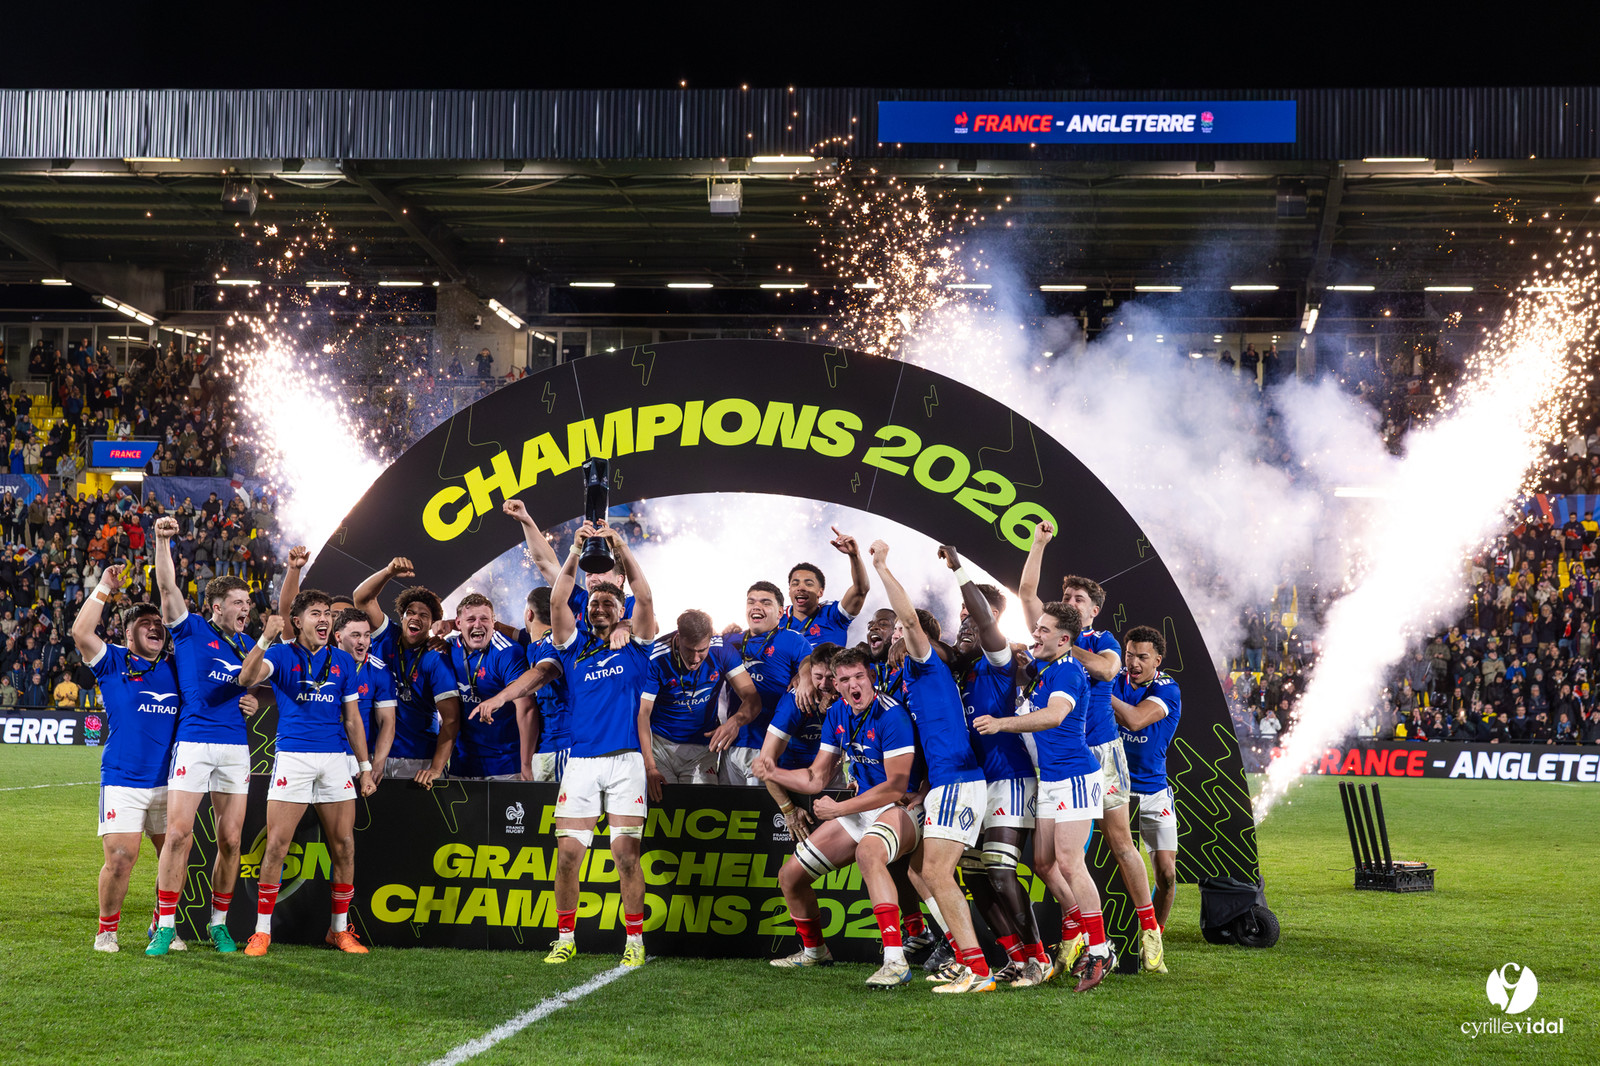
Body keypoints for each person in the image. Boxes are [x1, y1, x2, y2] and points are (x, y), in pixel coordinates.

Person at [975, 522, 1116, 992]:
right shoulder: (1044, 663)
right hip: (1051, 779)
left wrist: (1001, 724)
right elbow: (1028, 592)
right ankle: (1078, 930)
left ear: (1065, 640)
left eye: (1043, 631)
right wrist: (1038, 544)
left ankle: (1099, 949)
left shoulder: (1070, 672)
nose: (1034, 634)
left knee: (1071, 863)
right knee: (1044, 862)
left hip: (1075, 777)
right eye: (1035, 628)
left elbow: (1055, 718)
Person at [755, 646, 922, 988]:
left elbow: (896, 786)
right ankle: (815, 951)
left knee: (869, 853)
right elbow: (816, 779)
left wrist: (838, 809)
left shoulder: (892, 715)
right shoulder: (837, 715)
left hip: (903, 807)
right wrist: (774, 771)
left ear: (871, 679)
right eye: (844, 679)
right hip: (863, 807)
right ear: (836, 684)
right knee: (790, 876)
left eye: (859, 676)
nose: (852, 684)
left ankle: (895, 961)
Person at [871, 540, 993, 994]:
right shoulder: (905, 680)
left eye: (901, 632)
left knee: (938, 873)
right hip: (942, 784)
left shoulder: (925, 666)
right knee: (921, 871)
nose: (894, 636)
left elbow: (907, 618)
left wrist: (883, 566)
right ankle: (968, 961)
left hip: (960, 781)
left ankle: (976, 969)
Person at [235, 592, 376, 956]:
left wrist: (364, 767)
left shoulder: (344, 661)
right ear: (298, 621)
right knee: (277, 846)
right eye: (316, 613)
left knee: (344, 846)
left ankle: (339, 931)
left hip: (333, 759)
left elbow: (353, 719)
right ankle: (262, 931)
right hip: (293, 757)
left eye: (328, 613)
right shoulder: (281, 654)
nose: (325, 619)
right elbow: (245, 677)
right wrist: (265, 638)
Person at [544, 521, 657, 967]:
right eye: (593, 602)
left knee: (625, 855)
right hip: (582, 764)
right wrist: (573, 552)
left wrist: (621, 546)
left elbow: (645, 597)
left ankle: (634, 942)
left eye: (609, 601)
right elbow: (557, 599)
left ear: (620, 609)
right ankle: (566, 938)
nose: (599, 607)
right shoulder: (573, 650)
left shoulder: (636, 648)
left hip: (626, 761)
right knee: (568, 857)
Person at [940, 545, 1053, 986]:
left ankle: (1038, 958)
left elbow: (985, 620)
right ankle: (1013, 958)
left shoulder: (1000, 657)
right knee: (976, 877)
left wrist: (958, 570)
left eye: (976, 617)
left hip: (1009, 778)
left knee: (1002, 872)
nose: (968, 624)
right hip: (971, 783)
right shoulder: (959, 670)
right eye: (963, 618)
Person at [1044, 567, 1165, 975]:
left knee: (1120, 844)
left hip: (1102, 753)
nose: (1071, 603)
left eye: (1079, 599)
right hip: (1062, 757)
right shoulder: (1047, 640)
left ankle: (1150, 933)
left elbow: (1108, 671)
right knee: (1059, 858)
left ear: (1094, 611)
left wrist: (1066, 647)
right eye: (1067, 596)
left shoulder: (1101, 641)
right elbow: (1027, 595)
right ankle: (1077, 932)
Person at [149, 515, 253, 955]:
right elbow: (168, 587)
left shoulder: (249, 646)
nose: (246, 609)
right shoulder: (190, 628)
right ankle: (167, 926)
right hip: (193, 740)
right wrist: (162, 540)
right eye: (238, 603)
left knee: (231, 840)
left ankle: (219, 923)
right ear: (216, 606)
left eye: (248, 603)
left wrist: (253, 703)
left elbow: (255, 689)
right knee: (178, 835)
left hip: (235, 747)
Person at [72, 574, 179, 953]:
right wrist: (104, 586)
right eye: (144, 624)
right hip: (122, 778)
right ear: (128, 635)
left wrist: (246, 702)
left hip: (171, 781)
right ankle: (107, 930)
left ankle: (162, 924)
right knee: (120, 858)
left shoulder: (177, 667)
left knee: (173, 856)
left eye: (158, 624)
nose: (155, 628)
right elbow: (81, 632)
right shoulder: (114, 660)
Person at [352, 557, 461, 785]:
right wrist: (388, 571)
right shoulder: (386, 636)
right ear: (401, 617)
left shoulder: (435, 659)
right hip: (374, 755)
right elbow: (361, 598)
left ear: (432, 624)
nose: (415, 617)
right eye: (410, 612)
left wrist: (435, 768)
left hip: (418, 759)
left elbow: (451, 720)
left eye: (424, 615)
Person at [1112, 625, 1183, 961]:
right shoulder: (1115, 681)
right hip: (1115, 791)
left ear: (1158, 659)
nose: (1134, 662)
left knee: (1167, 874)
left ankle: (1154, 937)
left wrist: (1100, 695)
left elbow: (1136, 721)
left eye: (1142, 656)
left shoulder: (1168, 689)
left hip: (1154, 791)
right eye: (1129, 655)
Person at [638, 609, 761, 792]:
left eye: (702, 650)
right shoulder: (656, 656)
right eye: (689, 650)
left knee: (703, 807)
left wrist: (736, 721)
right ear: (679, 639)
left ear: (710, 640)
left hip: (703, 748)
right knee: (665, 809)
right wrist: (650, 767)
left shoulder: (722, 651)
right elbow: (642, 713)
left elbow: (752, 698)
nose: (695, 659)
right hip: (660, 747)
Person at [721, 581, 811, 784]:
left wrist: (804, 675)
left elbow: (809, 662)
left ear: (780, 613)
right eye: (751, 602)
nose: (756, 606)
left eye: (765, 602)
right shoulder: (731, 641)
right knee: (728, 809)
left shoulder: (792, 639)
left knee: (759, 812)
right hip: (731, 744)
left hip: (767, 747)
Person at [445, 593, 531, 780]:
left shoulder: (508, 651)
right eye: (471, 619)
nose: (478, 625)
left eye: (484, 618)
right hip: (462, 765)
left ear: (493, 622)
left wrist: (526, 764)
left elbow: (526, 706)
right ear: (458, 624)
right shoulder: (448, 648)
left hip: (505, 766)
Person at [761, 644, 842, 841]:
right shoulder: (794, 703)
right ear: (810, 674)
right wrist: (788, 810)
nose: (824, 684)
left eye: (831, 677)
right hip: (791, 781)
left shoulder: (848, 697)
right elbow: (765, 763)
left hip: (831, 778)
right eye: (818, 677)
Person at [331, 607, 396, 784]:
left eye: (366, 635)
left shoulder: (380, 670)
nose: (363, 642)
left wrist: (377, 764)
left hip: (360, 760)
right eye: (355, 635)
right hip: (325, 753)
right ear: (338, 636)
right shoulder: (321, 663)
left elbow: (387, 722)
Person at [780, 527, 869, 649]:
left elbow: (861, 590)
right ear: (789, 590)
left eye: (809, 583)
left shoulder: (833, 615)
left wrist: (854, 556)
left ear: (820, 591)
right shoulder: (776, 617)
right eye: (795, 583)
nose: (800, 587)